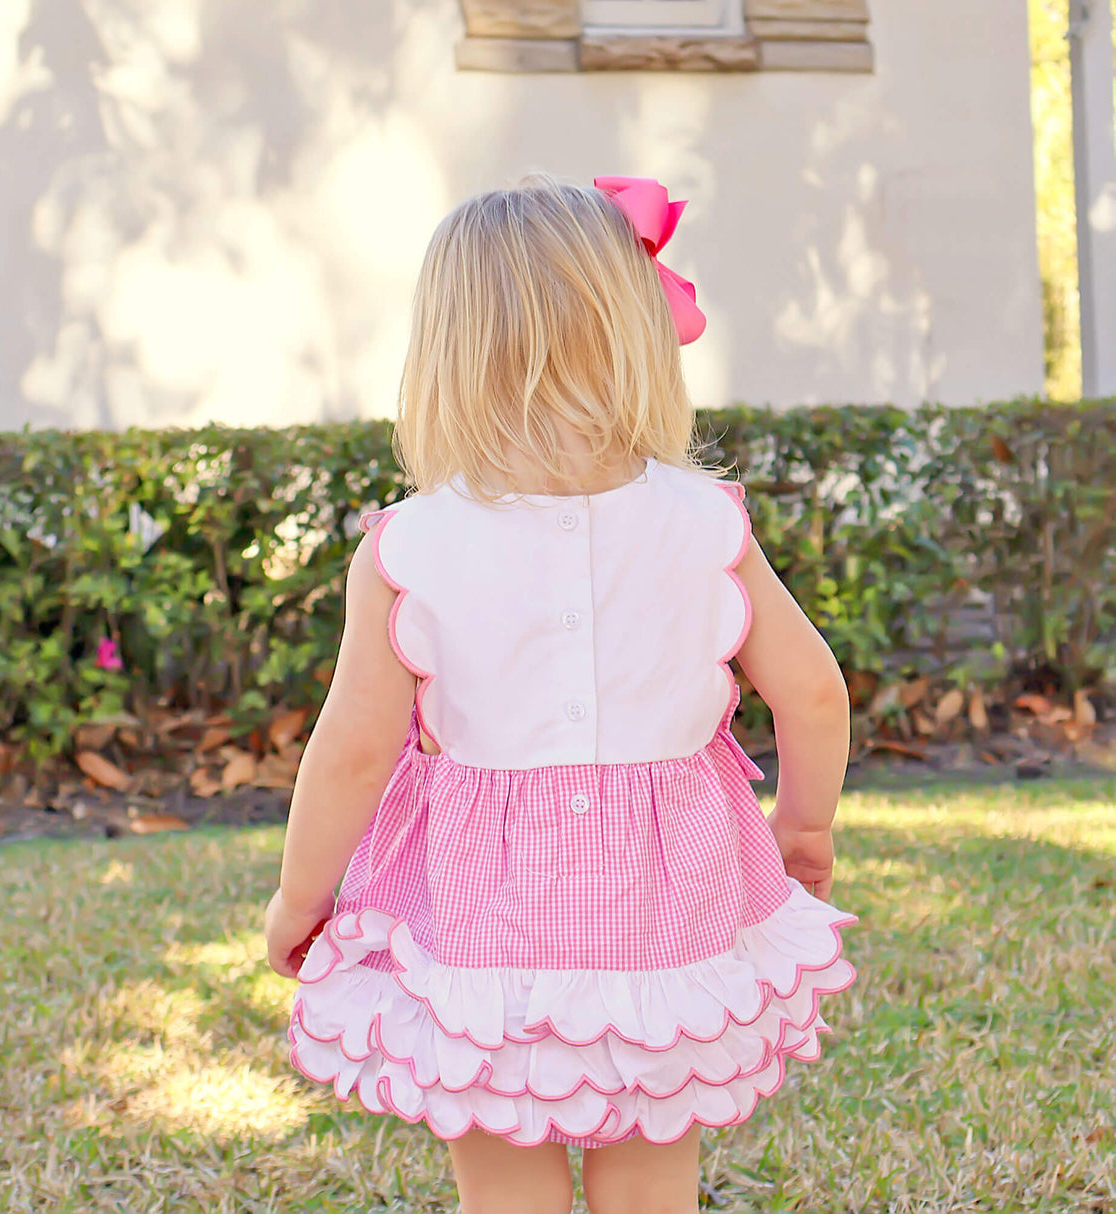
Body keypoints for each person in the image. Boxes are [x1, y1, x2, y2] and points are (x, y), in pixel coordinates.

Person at [265, 173, 857, 1214]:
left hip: (483, 911)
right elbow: (810, 691)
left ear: (446, 351)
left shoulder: (410, 548)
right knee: (651, 1168)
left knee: (503, 1176)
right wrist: (801, 827)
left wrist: (301, 896)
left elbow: (353, 753)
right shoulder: (705, 522)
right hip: (669, 899)